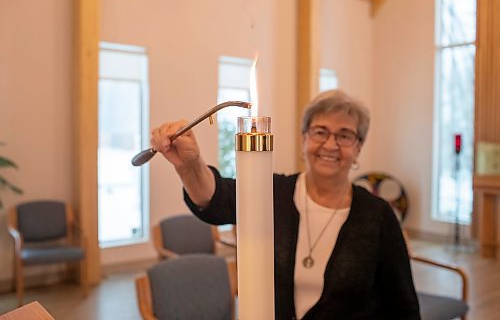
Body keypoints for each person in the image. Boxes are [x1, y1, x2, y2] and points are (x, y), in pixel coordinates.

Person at [151, 89, 421, 320]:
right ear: (303, 139)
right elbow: (217, 199)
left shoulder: (378, 216)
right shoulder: (271, 192)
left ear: (358, 148)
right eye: (320, 132)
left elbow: (403, 307)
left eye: (345, 135)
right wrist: (190, 166)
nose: (330, 144)